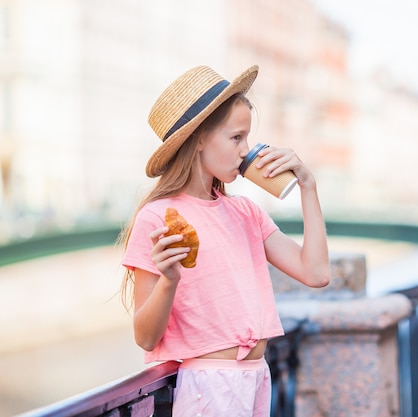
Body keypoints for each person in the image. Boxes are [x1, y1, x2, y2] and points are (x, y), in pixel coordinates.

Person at [118, 64, 330, 417]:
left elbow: (316, 273)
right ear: (199, 139)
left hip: (257, 377)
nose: (246, 151)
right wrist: (169, 280)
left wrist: (308, 186)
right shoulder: (158, 216)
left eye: (247, 138)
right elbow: (145, 336)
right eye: (236, 138)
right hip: (210, 386)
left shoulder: (246, 212)